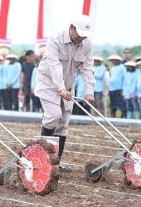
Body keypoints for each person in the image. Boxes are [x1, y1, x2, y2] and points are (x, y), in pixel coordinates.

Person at [34, 14, 95, 173]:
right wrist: (60, 88)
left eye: (85, 36)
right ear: (71, 28)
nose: (81, 38)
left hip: (67, 87)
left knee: (63, 125)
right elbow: (54, 65)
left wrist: (89, 92)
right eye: (79, 34)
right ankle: (42, 158)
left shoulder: (86, 44)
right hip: (48, 84)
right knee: (54, 115)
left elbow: (87, 68)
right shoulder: (56, 40)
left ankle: (55, 163)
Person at [107, 53, 127, 118]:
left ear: (118, 60)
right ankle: (113, 117)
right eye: (112, 60)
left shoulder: (122, 67)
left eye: (114, 60)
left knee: (121, 104)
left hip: (119, 89)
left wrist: (123, 89)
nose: (113, 61)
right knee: (112, 105)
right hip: (112, 89)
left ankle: (123, 117)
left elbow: (125, 79)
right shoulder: (112, 68)